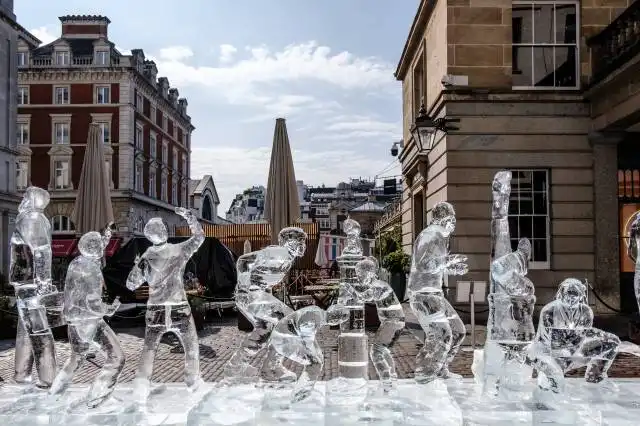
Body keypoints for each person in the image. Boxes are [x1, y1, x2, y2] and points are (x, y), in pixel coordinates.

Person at [126, 207, 204, 401]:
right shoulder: (178, 250)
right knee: (191, 345)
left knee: (149, 348)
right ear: (164, 232)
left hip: (156, 309)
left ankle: (142, 384)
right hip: (178, 306)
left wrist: (140, 265)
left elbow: (130, 283)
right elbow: (199, 237)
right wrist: (189, 217)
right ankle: (193, 381)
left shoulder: (147, 256)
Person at [49, 225, 124, 408]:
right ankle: (97, 396)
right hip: (88, 321)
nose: (102, 250)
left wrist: (106, 235)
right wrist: (109, 309)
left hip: (75, 321)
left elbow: (98, 250)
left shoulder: (77, 262)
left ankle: (53, 395)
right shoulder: (90, 268)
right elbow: (92, 302)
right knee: (116, 357)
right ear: (93, 249)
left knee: (75, 359)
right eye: (99, 247)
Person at [222, 227, 307, 386]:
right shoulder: (280, 254)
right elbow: (244, 260)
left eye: (303, 241)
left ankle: (236, 366)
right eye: (298, 241)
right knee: (290, 321)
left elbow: (260, 274)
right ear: (286, 242)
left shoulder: (287, 259)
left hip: (253, 294)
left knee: (264, 330)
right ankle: (271, 368)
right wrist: (242, 287)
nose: (303, 245)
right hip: (251, 294)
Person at [407, 201, 468, 383]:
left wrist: (452, 269)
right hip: (422, 295)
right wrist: (448, 262)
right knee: (441, 335)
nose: (454, 224)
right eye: (451, 219)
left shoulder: (440, 237)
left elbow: (434, 267)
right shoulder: (430, 235)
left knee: (457, 330)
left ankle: (441, 370)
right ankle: (424, 375)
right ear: (444, 219)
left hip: (434, 293)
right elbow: (423, 265)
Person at [10, 186, 59, 388]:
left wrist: (43, 282)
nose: (22, 198)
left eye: (25, 196)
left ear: (33, 200)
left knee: (38, 331)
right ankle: (22, 373)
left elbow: (41, 252)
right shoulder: (34, 219)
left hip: (30, 283)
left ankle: (47, 377)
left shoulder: (32, 219)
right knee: (27, 329)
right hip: (27, 283)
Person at [531, 278, 621, 384]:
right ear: (561, 293)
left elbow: (582, 336)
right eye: (568, 294)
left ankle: (595, 375)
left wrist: (592, 335)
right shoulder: (549, 311)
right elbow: (548, 341)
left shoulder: (586, 311)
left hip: (574, 349)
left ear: (581, 296)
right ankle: (546, 374)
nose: (571, 299)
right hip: (549, 352)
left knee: (613, 342)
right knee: (553, 376)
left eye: (575, 295)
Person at [267, 304, 348, 402]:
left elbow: (309, 340)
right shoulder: (314, 319)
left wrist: (317, 355)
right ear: (336, 319)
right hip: (285, 340)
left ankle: (304, 391)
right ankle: (300, 395)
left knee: (319, 358)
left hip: (288, 337)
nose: (337, 323)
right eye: (339, 320)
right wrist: (313, 357)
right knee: (314, 363)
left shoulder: (317, 313)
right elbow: (307, 340)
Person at [353, 257, 405, 393]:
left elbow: (365, 297)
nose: (359, 278)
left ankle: (386, 381)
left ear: (369, 273)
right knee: (383, 350)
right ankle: (392, 378)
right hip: (394, 321)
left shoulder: (377, 285)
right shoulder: (379, 284)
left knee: (376, 351)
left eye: (360, 275)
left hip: (392, 322)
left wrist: (349, 291)